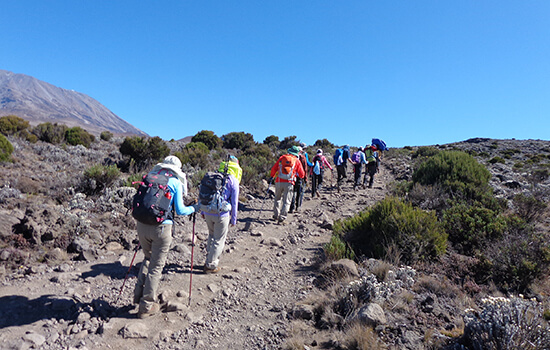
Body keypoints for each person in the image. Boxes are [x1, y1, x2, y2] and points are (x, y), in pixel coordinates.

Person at [134, 156, 198, 318]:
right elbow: (182, 210)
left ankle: (137, 296)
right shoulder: (175, 182)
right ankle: (146, 306)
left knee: (147, 259)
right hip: (162, 228)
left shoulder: (150, 178)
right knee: (156, 266)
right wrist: (194, 208)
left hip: (141, 225)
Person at [200, 156, 240, 274]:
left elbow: (204, 194)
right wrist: (234, 219)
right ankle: (211, 265)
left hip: (207, 211)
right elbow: (234, 202)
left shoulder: (213, 176)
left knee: (211, 235)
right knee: (219, 239)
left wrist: (202, 211)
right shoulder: (233, 180)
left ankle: (208, 258)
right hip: (221, 214)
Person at [270, 146, 305, 224]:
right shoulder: (296, 161)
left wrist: (272, 176)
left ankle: (276, 215)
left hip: (279, 181)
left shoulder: (282, 158)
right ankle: (282, 217)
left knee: (277, 198)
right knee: (287, 201)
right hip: (289, 182)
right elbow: (302, 174)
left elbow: (274, 168)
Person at [289, 147, 308, 213]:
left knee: (293, 192)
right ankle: (298, 207)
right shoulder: (303, 158)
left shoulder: (291, 158)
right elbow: (305, 168)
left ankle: (292, 208)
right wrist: (305, 178)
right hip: (300, 177)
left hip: (292, 176)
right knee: (299, 192)